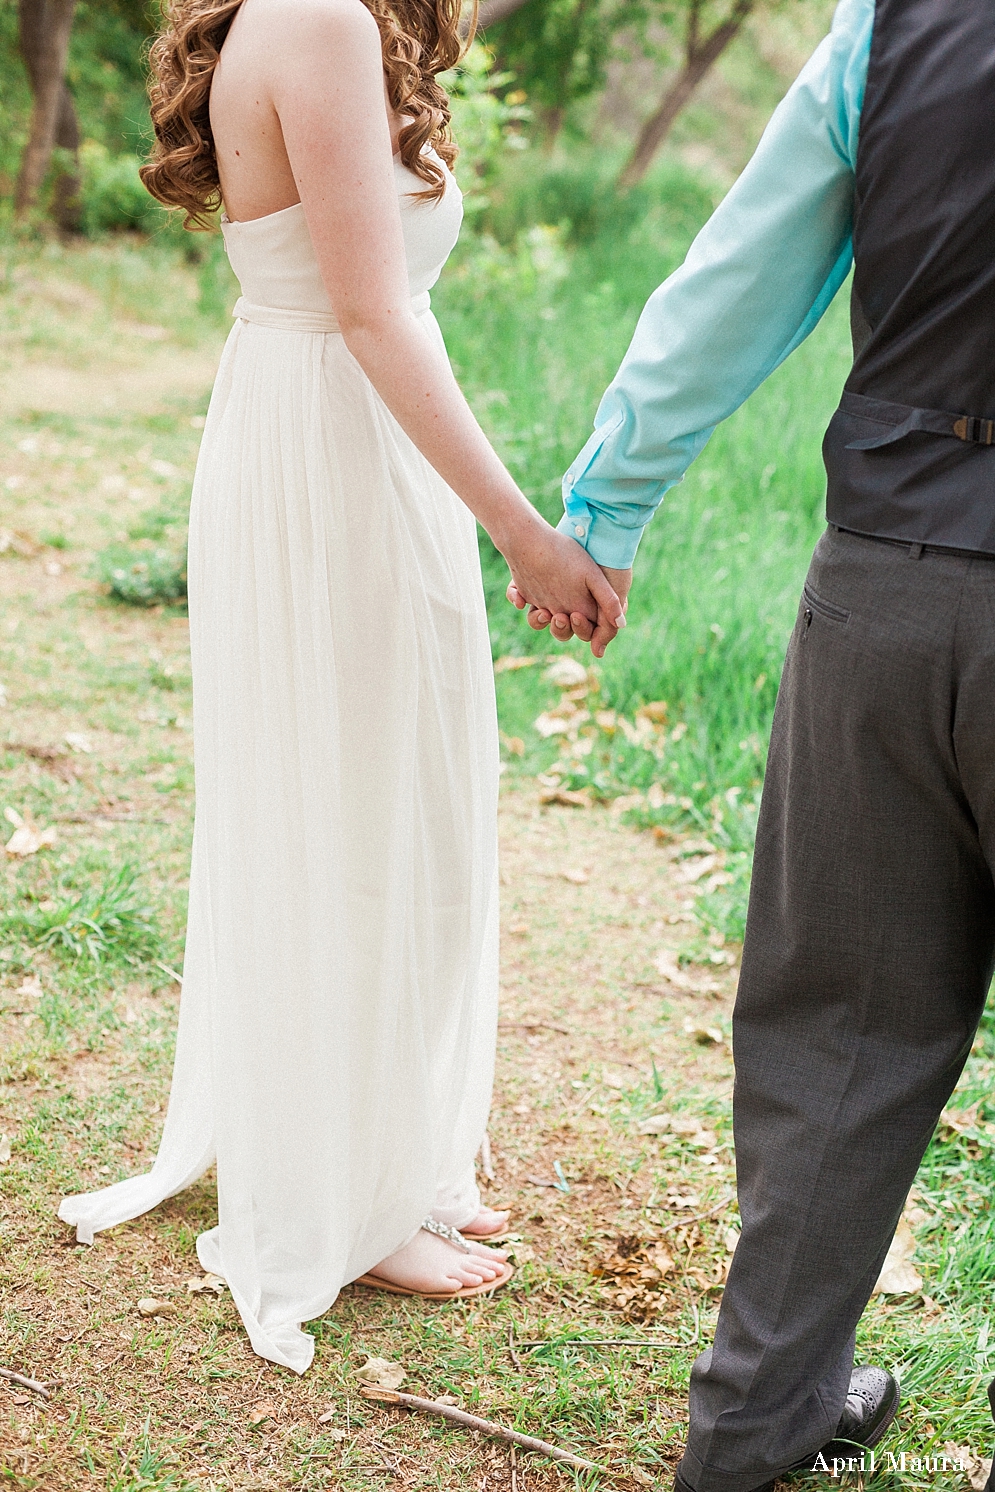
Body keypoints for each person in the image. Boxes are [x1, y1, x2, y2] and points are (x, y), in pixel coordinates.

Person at [57, 0, 626, 1374]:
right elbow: (373, 310)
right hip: (331, 446)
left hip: (339, 438)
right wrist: (525, 533)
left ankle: (383, 1151)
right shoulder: (313, 21)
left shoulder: (338, 16)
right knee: (360, 818)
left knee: (395, 804)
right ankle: (350, 1202)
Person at [517, 0, 995, 1484]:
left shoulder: (897, 22)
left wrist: (603, 507)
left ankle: (754, 1427)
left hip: (888, 593)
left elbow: (737, 280)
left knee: (833, 1034)